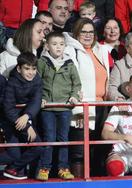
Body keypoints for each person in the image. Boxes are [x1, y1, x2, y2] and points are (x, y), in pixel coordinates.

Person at [63, 18, 110, 176]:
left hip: (101, 108)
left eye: (91, 31)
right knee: (79, 152)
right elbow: (69, 82)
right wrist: (77, 110)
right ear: (76, 33)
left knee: (98, 150)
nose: (88, 35)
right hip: (82, 108)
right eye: (84, 32)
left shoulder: (100, 50)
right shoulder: (70, 50)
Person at [36, 32, 81, 181]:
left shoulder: (70, 63)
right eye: (54, 44)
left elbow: (77, 84)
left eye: (61, 44)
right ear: (47, 46)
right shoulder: (42, 62)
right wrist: (41, 98)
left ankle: (63, 168)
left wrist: (74, 96)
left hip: (65, 108)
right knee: (48, 138)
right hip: (47, 108)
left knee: (63, 139)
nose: (58, 47)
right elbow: (37, 83)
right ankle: (45, 168)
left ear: (65, 46)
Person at [2, 52, 43, 180]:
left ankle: (12, 169)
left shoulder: (37, 80)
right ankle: (13, 168)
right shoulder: (12, 82)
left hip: (24, 118)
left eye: (33, 68)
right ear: (19, 69)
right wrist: (26, 125)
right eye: (27, 68)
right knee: (13, 154)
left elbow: (36, 100)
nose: (31, 72)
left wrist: (27, 116)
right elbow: (8, 108)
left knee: (37, 146)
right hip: (10, 121)